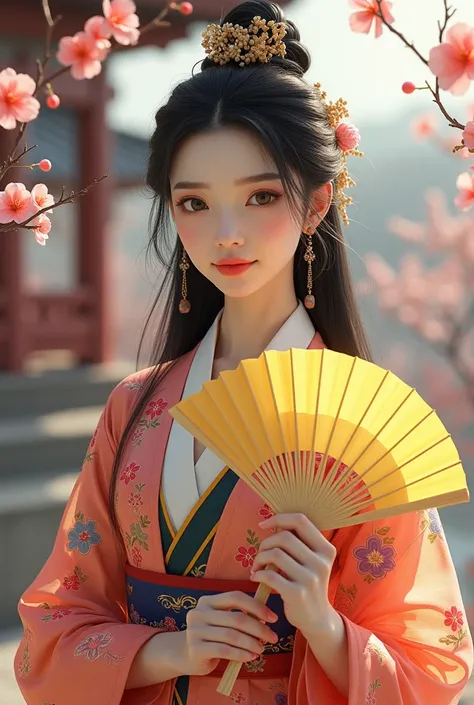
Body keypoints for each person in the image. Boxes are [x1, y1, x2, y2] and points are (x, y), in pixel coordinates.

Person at [14, 1, 473, 703]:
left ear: (316, 204)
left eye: (259, 197)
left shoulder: (365, 429)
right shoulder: (133, 407)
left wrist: (323, 624)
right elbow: (54, 627)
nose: (226, 233)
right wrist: (173, 648)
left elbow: (433, 670)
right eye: (194, 203)